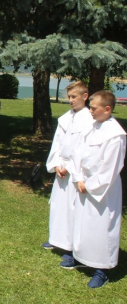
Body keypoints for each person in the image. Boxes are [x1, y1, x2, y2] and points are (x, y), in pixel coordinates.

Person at [61, 90, 126, 289]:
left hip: (102, 191)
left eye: (94, 108)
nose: (90, 111)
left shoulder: (116, 135)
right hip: (84, 184)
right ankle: (82, 257)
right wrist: (79, 177)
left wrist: (89, 185)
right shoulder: (92, 127)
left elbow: (110, 168)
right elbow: (79, 153)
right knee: (82, 225)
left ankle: (102, 270)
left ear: (107, 109)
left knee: (101, 228)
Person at [43, 81, 93, 254]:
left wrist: (70, 167)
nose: (70, 100)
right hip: (61, 168)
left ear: (85, 97)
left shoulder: (89, 120)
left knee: (73, 208)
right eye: (69, 97)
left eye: (74, 97)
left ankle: (71, 245)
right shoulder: (66, 118)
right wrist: (57, 163)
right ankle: (56, 239)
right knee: (58, 205)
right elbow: (57, 143)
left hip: (74, 170)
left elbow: (83, 148)